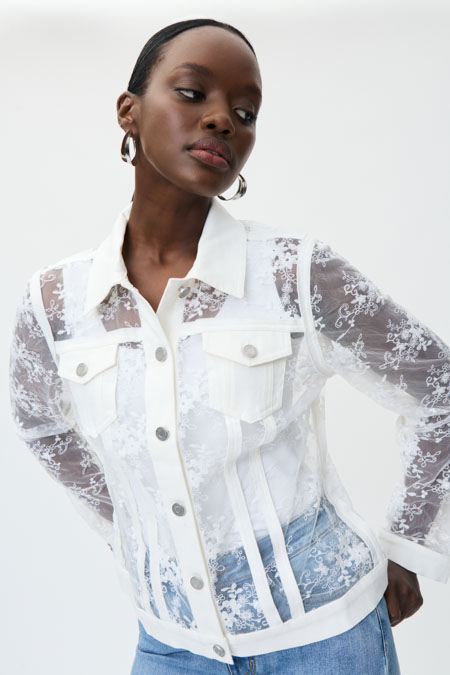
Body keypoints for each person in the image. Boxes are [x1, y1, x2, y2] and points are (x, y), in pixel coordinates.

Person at [9, 17, 450, 675]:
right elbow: (41, 426)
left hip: (326, 641)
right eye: (192, 93)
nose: (222, 120)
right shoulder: (56, 302)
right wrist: (132, 529)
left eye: (245, 113)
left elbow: (439, 386)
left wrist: (410, 546)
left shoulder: (294, 274)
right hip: (169, 644)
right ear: (129, 112)